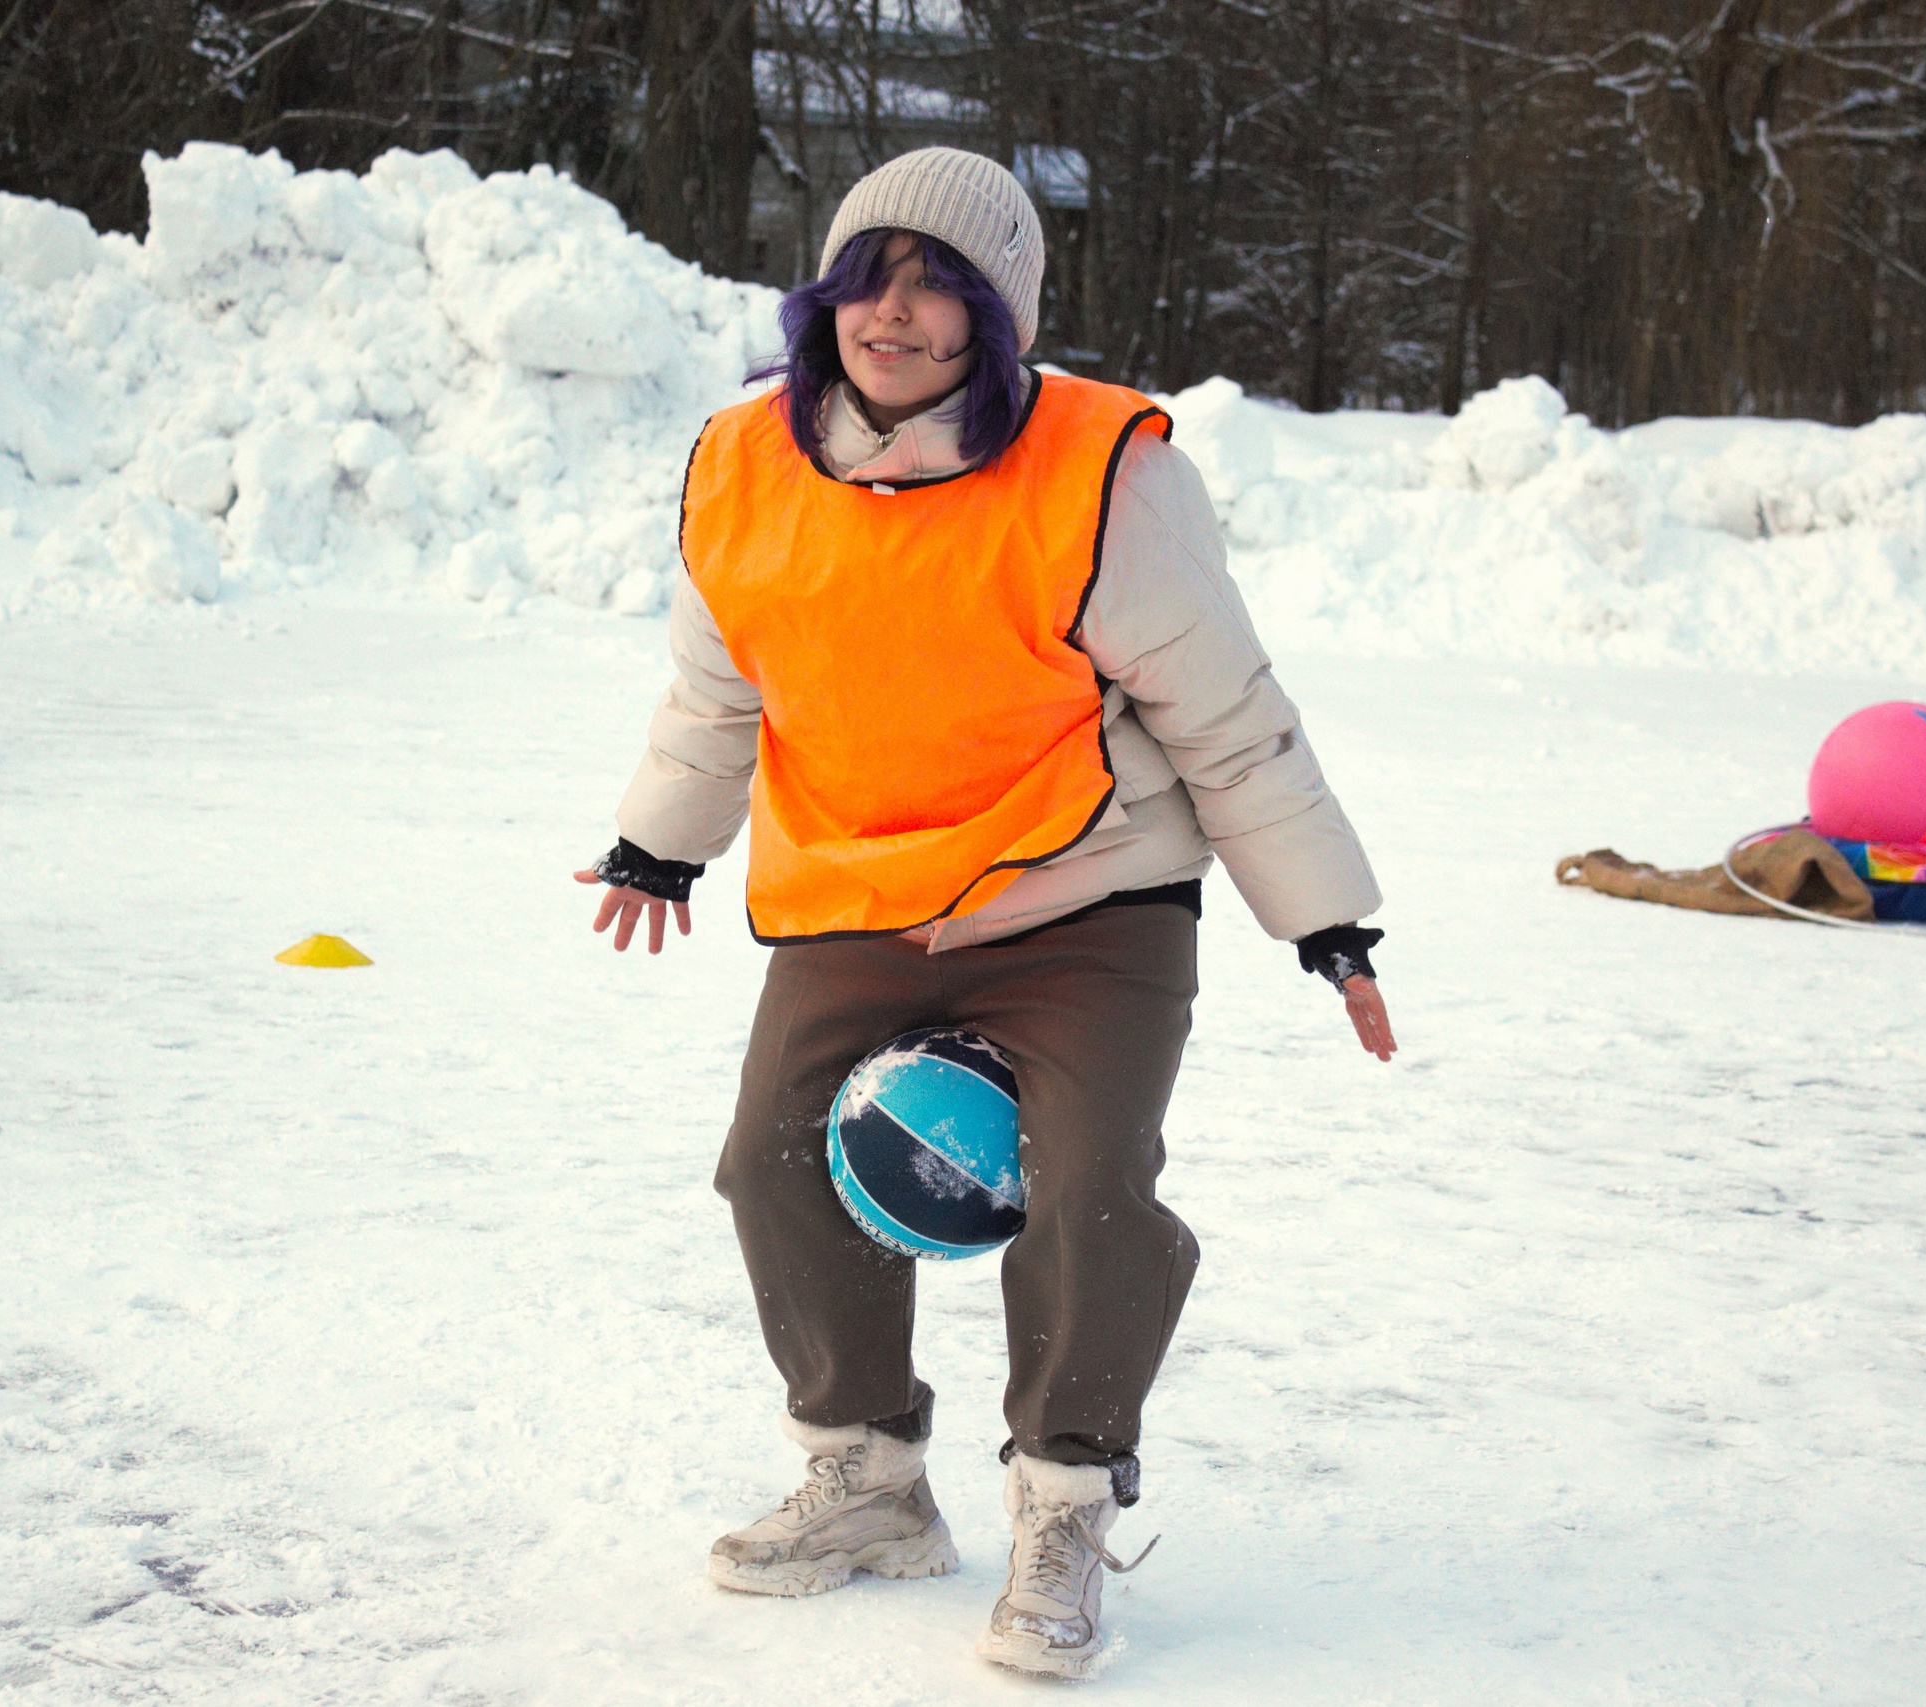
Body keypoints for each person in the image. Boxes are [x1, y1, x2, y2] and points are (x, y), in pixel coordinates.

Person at [574, 146, 1394, 1680]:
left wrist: (1327, 923)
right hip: (862, 886)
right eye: (873, 273)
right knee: (769, 1161)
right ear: (828, 292)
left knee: (1088, 1181)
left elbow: (1228, 716)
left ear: (995, 322)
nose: (899, 313)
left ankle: (1067, 1498)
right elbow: (719, 687)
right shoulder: (741, 461)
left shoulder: (1103, 474)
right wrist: (655, 847)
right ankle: (868, 1475)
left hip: (1088, 883)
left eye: (941, 288)